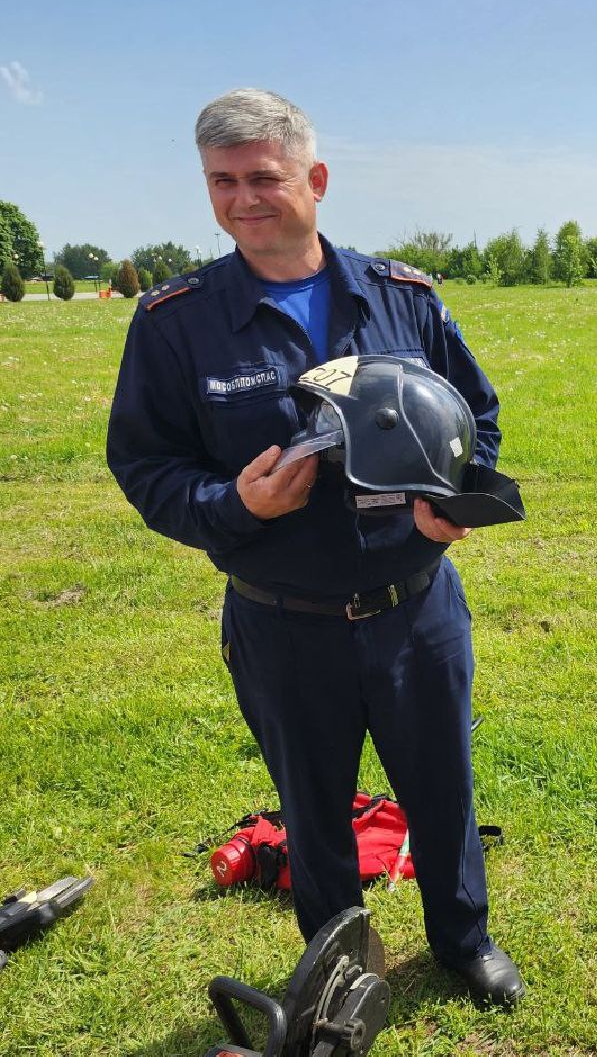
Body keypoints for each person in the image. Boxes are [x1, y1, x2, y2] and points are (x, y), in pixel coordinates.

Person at [106, 88, 524, 1006]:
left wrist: (448, 504)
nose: (243, 199)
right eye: (222, 182)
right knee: (312, 807)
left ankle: (463, 939)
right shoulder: (176, 322)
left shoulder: (401, 299)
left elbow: (474, 418)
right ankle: (337, 964)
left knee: (442, 787)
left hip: (414, 607)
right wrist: (234, 505)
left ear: (316, 178)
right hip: (282, 621)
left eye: (263, 177)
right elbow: (145, 466)